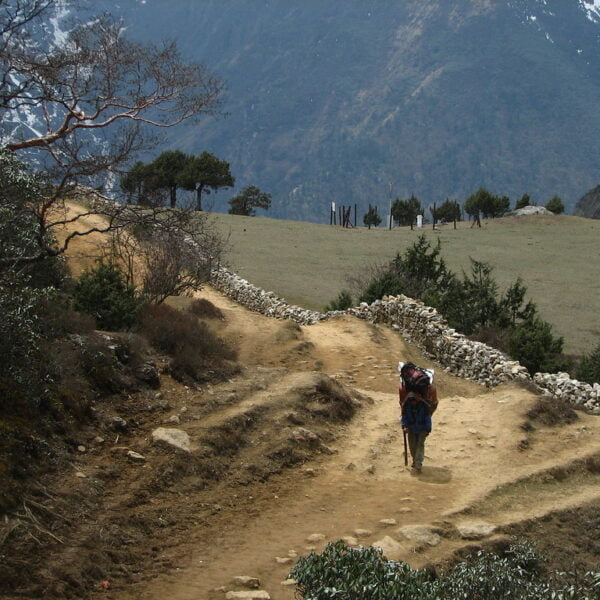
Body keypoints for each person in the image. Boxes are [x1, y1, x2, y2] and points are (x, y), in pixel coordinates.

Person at [398, 362, 438, 474]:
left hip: (416, 427)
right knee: (416, 444)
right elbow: (426, 415)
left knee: (417, 444)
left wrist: (427, 429)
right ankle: (416, 461)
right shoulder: (421, 404)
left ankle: (418, 463)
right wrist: (405, 425)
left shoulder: (411, 404)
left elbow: (405, 413)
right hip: (415, 426)